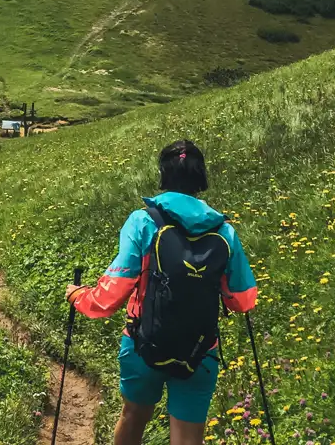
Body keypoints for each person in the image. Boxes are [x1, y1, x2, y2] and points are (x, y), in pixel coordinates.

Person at [65, 140, 257, 445]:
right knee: (187, 437)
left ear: (162, 175)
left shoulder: (143, 221)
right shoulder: (224, 232)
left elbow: (110, 295)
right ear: (200, 178)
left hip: (143, 345)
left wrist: (79, 296)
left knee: (133, 417)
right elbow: (242, 301)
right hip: (200, 350)